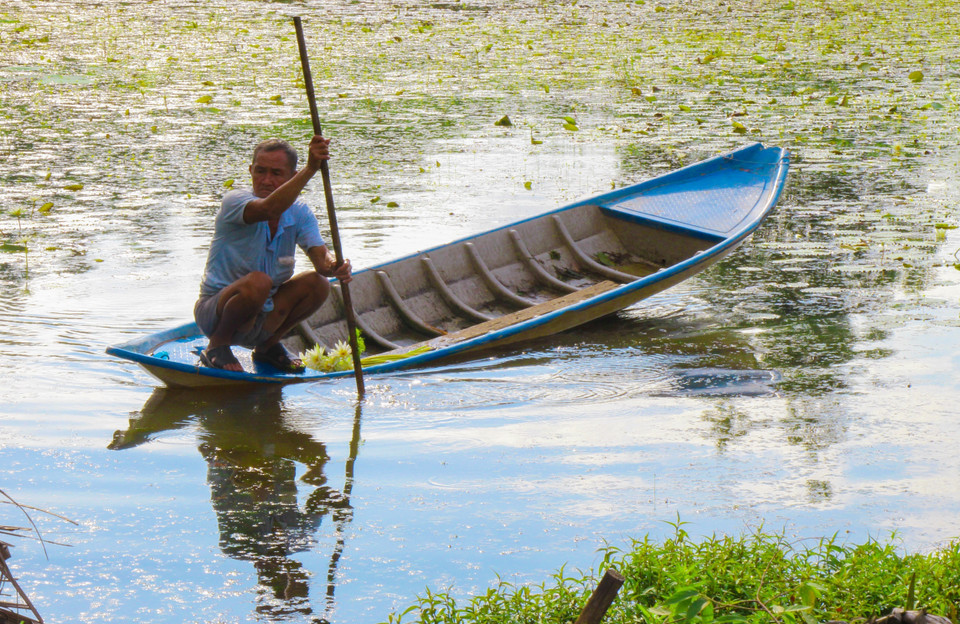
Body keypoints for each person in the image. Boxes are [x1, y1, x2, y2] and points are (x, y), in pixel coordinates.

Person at [194, 135, 351, 373]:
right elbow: (269, 208)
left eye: (276, 174)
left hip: (263, 313)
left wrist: (336, 266)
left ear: (290, 176)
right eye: (260, 171)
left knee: (318, 283)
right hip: (215, 312)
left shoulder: (299, 212)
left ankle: (268, 346)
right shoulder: (235, 202)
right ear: (250, 170)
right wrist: (311, 169)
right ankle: (217, 346)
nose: (266, 180)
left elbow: (321, 261)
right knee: (259, 282)